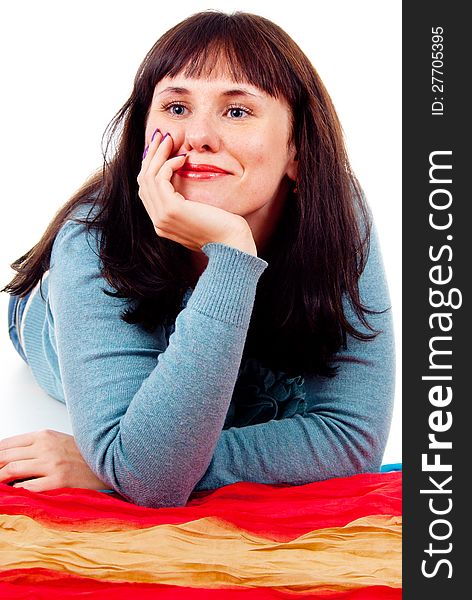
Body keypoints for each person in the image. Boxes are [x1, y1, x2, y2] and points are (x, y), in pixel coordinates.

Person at [0, 10, 395, 508]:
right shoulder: (92, 240)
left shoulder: (338, 215)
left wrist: (113, 464)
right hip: (49, 317)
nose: (198, 136)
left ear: (296, 147)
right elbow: (150, 478)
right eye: (176, 107)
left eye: (237, 111)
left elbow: (352, 439)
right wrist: (231, 258)